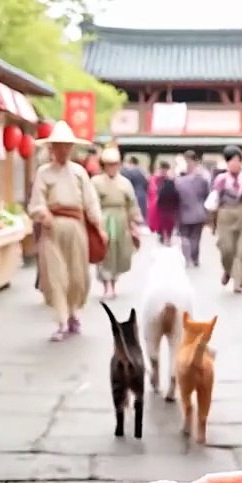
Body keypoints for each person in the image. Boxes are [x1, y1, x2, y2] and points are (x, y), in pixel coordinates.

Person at [28, 120, 106, 342]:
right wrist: (44, 214)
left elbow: (91, 202)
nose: (62, 150)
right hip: (52, 230)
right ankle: (61, 320)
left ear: (71, 148)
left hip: (76, 228)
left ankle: (74, 313)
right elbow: (36, 202)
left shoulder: (79, 172)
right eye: (58, 146)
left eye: (66, 146)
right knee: (55, 276)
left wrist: (99, 226)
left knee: (77, 275)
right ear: (51, 148)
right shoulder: (44, 172)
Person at [92, 145, 143, 299]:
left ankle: (114, 281)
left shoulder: (125, 182)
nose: (112, 168)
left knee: (120, 252)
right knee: (105, 252)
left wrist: (134, 221)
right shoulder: (96, 182)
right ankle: (107, 284)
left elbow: (132, 203)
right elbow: (92, 203)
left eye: (115, 164)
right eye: (109, 164)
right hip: (104, 217)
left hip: (121, 218)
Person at [209, 145, 242, 293]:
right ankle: (228, 270)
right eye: (231, 160)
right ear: (227, 162)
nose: (235, 163)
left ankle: (240, 281)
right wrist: (212, 223)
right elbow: (213, 202)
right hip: (226, 214)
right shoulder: (220, 180)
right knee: (227, 249)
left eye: (237, 160)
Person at [174, 152, 211, 267]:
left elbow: (175, 198)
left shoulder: (178, 181)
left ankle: (187, 256)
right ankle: (194, 258)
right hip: (199, 212)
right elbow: (207, 195)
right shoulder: (202, 180)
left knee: (185, 236)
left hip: (183, 212)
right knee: (196, 237)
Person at [149, 159, 179, 244]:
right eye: (163, 169)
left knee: (167, 220)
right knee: (160, 220)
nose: (164, 171)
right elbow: (152, 189)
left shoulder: (170, 179)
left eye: (166, 169)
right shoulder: (155, 178)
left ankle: (166, 235)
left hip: (166, 203)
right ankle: (161, 234)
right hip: (157, 202)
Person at [120, 155, 149, 225]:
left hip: (134, 193)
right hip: (142, 194)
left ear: (131, 162)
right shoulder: (143, 172)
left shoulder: (130, 172)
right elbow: (147, 183)